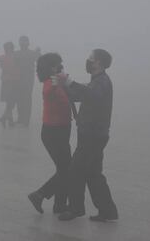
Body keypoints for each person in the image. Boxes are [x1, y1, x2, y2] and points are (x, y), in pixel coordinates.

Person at [57, 49, 118, 222]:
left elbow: (91, 96)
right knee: (94, 174)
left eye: (91, 58)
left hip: (93, 136)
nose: (88, 61)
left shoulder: (102, 82)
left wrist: (69, 81)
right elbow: (80, 95)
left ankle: (75, 209)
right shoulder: (96, 81)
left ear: (98, 62)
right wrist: (64, 84)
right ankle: (108, 211)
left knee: (75, 171)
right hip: (94, 134)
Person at [27, 53, 72, 214]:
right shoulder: (49, 83)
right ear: (50, 68)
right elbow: (48, 92)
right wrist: (56, 80)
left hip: (62, 130)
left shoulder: (58, 82)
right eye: (57, 64)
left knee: (64, 169)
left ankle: (59, 204)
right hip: (53, 132)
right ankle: (40, 195)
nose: (60, 66)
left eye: (61, 63)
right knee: (67, 169)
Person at [14, 36, 41, 126]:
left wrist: (38, 53)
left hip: (28, 80)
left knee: (26, 99)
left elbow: (39, 59)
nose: (23, 43)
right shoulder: (16, 53)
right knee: (19, 99)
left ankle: (26, 120)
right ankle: (21, 118)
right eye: (22, 42)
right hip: (18, 80)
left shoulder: (31, 53)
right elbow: (7, 59)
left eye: (24, 42)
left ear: (28, 43)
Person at [0, 41, 20, 128]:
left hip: (15, 81)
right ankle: (9, 119)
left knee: (11, 101)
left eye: (9, 47)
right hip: (7, 82)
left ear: (12, 48)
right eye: (6, 48)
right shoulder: (3, 57)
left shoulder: (16, 56)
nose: (7, 49)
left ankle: (5, 117)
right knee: (10, 101)